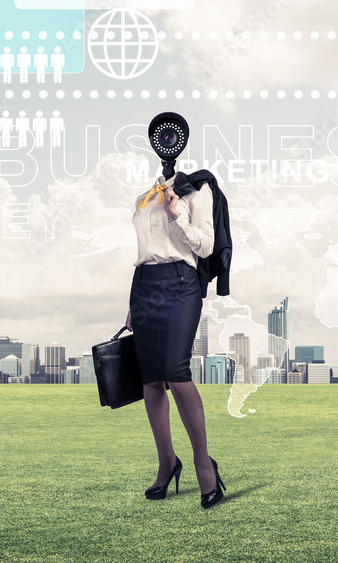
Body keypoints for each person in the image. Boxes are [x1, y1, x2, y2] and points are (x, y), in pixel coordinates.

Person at [126, 171, 228, 509]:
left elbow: (207, 245)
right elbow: (145, 251)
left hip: (180, 283)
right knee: (150, 379)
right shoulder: (145, 196)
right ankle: (167, 462)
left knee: (176, 371)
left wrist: (175, 215)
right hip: (143, 286)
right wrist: (132, 304)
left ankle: (204, 465)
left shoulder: (196, 191)